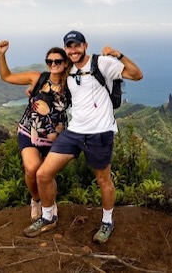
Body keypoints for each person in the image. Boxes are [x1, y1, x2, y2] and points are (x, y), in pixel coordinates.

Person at [23, 30, 143, 242]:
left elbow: (137, 74)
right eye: (69, 46)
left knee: (103, 179)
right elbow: (50, 84)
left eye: (77, 46)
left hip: (99, 132)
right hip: (74, 132)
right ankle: (48, 217)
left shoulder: (102, 63)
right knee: (42, 174)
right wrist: (34, 88)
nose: (73, 50)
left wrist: (118, 55)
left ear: (85, 45)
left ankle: (107, 221)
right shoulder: (67, 69)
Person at [0, 40, 71, 222]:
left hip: (54, 137)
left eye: (58, 61)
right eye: (50, 61)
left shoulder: (71, 84)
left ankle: (50, 204)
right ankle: (36, 200)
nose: (53, 65)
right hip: (29, 131)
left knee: (47, 174)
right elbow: (6, 77)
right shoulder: (38, 78)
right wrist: (1, 54)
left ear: (65, 63)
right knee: (31, 170)